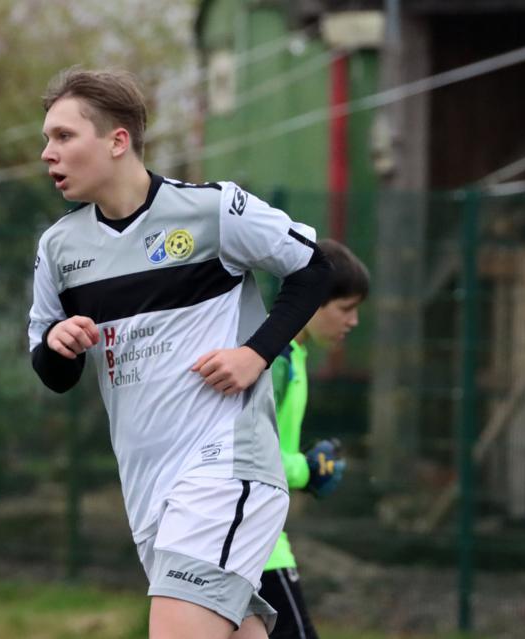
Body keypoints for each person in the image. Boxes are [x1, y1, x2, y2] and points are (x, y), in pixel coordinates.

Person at [27, 67, 333, 639]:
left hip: (223, 468)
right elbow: (53, 373)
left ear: (118, 141)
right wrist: (58, 345)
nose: (48, 153)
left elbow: (315, 268)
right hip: (147, 486)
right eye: (47, 139)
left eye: (64, 136)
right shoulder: (60, 249)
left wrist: (256, 354)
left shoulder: (214, 211)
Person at [258, 239, 370, 639]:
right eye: (346, 308)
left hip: (253, 538)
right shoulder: (276, 361)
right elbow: (250, 454)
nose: (353, 321)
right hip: (259, 548)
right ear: (311, 301)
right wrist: (306, 469)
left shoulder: (291, 354)